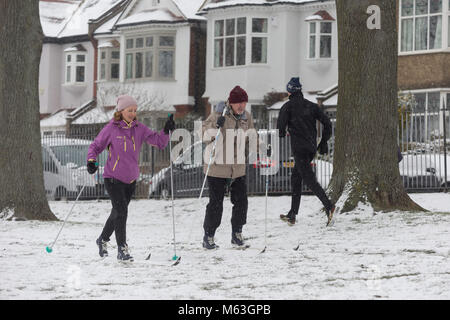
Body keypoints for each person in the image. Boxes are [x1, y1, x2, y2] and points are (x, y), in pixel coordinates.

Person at [86, 95, 175, 261]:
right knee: (121, 212)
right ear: (121, 111)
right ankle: (122, 249)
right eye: (129, 110)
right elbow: (96, 146)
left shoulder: (139, 129)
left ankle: (102, 239)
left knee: (117, 212)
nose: (133, 113)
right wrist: (91, 160)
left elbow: (159, 142)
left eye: (134, 110)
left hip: (131, 179)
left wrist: (166, 131)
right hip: (113, 178)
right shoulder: (111, 128)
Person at [201, 86, 256, 250]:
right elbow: (204, 135)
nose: (241, 106)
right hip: (217, 167)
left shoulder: (247, 117)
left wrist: (258, 148)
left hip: (238, 168)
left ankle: (237, 233)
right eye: (238, 102)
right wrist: (216, 124)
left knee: (241, 202)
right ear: (231, 103)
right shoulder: (219, 114)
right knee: (216, 204)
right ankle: (209, 236)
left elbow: (251, 137)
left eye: (243, 102)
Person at [277, 77, 335, 227]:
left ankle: (329, 206)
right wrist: (323, 142)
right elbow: (327, 123)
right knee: (296, 178)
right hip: (310, 148)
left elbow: (280, 129)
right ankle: (292, 214)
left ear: (289, 91)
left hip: (299, 149)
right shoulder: (311, 106)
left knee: (309, 180)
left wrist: (283, 131)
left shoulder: (287, 107)